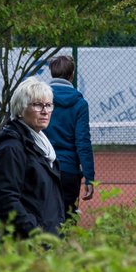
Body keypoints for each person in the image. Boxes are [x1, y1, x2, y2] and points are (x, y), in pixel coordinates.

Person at [0, 77, 66, 238]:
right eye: (38, 105)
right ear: (20, 109)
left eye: (48, 105)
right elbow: (5, 200)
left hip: (48, 240)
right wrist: (36, 234)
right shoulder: (11, 147)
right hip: (26, 246)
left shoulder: (42, 145)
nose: (45, 111)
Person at [44, 54, 95, 221]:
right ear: (72, 74)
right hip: (69, 171)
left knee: (42, 220)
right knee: (66, 221)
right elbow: (82, 142)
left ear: (51, 73)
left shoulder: (40, 100)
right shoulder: (80, 104)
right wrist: (89, 177)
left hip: (42, 167)